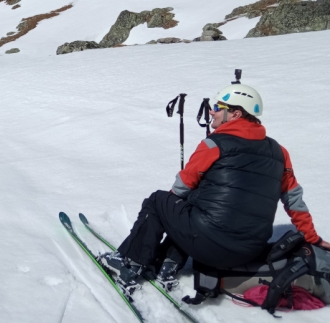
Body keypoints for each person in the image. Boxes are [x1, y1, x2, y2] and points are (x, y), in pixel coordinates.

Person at [101, 80, 330, 294]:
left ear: (236, 113)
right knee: (192, 205)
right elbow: (294, 201)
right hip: (248, 252)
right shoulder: (280, 152)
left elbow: (181, 188)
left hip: (208, 247)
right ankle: (168, 263)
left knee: (160, 202)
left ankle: (128, 264)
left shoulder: (214, 144)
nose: (212, 111)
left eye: (219, 107)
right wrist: (313, 239)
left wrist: (171, 216)